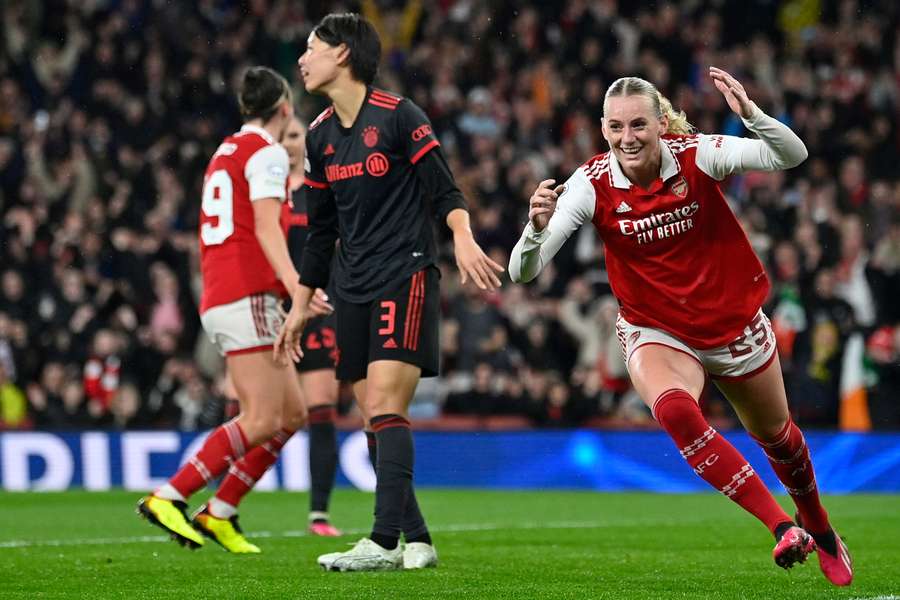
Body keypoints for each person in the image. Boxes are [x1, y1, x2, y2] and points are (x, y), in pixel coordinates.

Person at [509, 69, 852, 586]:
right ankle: (782, 526)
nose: (628, 138)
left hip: (731, 323)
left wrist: (752, 117)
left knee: (778, 438)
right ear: (603, 129)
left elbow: (791, 155)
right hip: (657, 329)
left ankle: (821, 528)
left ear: (659, 124)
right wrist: (535, 230)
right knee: (674, 409)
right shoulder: (591, 183)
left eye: (639, 125)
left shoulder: (697, 153)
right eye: (617, 126)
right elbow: (522, 271)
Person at [275, 13, 504, 571]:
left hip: (406, 273)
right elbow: (320, 231)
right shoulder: (320, 135)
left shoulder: (400, 117)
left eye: (312, 48)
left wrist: (463, 237)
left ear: (344, 54)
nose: (302, 59)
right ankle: (418, 538)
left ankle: (380, 543)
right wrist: (300, 306)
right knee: (372, 417)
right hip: (349, 285)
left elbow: (444, 189)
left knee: (383, 405)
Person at [136, 66, 332, 553]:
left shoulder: (225, 152)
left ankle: (220, 511)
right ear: (284, 108)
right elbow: (266, 231)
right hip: (245, 296)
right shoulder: (265, 154)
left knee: (291, 413)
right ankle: (171, 495)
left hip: (230, 292)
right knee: (263, 417)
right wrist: (299, 291)